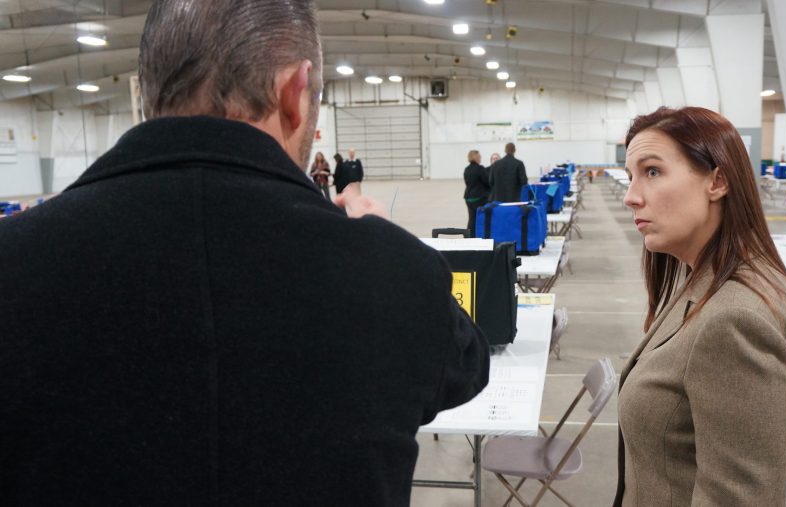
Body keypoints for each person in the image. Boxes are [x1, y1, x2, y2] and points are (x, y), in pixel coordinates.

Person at [0, 1, 490, 505]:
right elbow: (468, 367)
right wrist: (383, 246)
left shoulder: (13, 263)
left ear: (146, 90)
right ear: (295, 92)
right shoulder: (395, 272)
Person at [614, 107, 786, 506]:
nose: (631, 197)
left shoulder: (735, 319)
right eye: (630, 177)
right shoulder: (711, 280)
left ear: (717, 181)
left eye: (652, 172)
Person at [463, 150, 490, 237]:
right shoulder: (480, 168)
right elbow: (487, 182)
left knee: (471, 219)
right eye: (479, 157)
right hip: (479, 198)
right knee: (481, 218)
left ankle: (468, 236)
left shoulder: (466, 169)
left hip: (468, 198)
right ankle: (481, 235)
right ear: (476, 157)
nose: (480, 158)